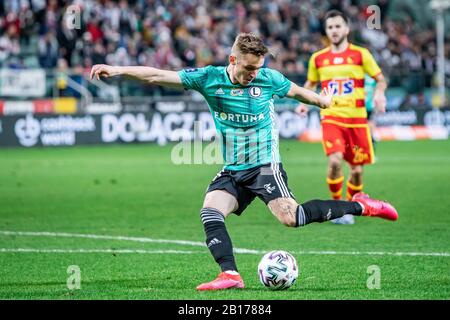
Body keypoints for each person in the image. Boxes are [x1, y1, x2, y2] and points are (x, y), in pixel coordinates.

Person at [90, 32, 397, 291]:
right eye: (249, 67)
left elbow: (303, 94)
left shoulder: (268, 80)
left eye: (258, 68)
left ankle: (361, 204)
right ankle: (230, 274)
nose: (254, 73)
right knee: (210, 211)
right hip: (234, 169)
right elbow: (158, 75)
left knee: (291, 218)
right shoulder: (208, 79)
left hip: (265, 166)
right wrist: (117, 70)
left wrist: (324, 100)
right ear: (233, 59)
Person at [296, 10, 387, 225]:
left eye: (338, 26)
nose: (334, 31)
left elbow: (380, 79)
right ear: (326, 31)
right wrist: (303, 103)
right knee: (335, 160)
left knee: (356, 171)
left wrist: (380, 93)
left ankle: (350, 207)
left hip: (356, 119)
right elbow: (310, 84)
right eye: (330, 27)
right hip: (331, 117)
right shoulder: (318, 58)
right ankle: (337, 208)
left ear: (346, 29)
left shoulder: (361, 54)